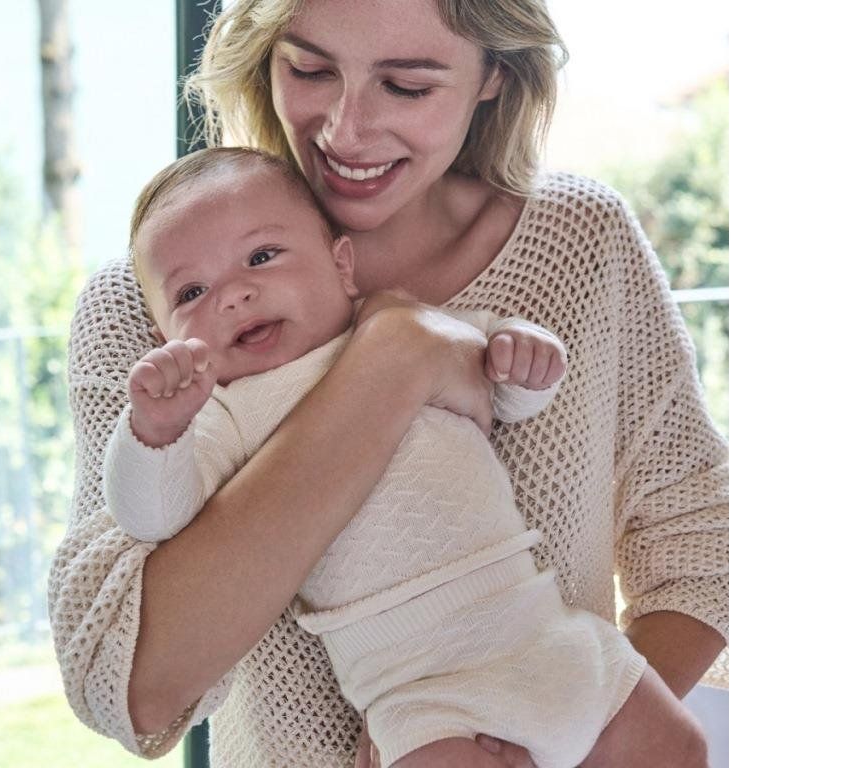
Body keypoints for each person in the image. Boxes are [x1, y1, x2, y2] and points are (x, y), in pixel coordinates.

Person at [48, 0, 728, 766]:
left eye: (406, 85)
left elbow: (702, 547)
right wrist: (393, 358)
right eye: (310, 70)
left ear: (495, 75)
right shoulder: (156, 310)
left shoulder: (577, 243)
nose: (346, 131)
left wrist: (570, 736)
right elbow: (125, 684)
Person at [103, 145, 654, 768]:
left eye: (261, 257)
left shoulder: (404, 322)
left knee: (678, 744)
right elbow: (155, 516)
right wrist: (155, 432)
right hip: (416, 687)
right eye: (192, 291)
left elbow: (504, 392)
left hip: (534, 623)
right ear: (164, 336)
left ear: (341, 265)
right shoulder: (223, 415)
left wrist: (524, 355)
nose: (234, 296)